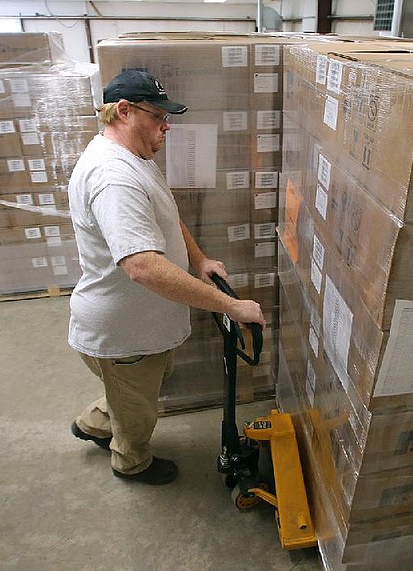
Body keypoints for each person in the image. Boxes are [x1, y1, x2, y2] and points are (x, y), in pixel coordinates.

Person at [67, 70, 266, 486]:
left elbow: (167, 217)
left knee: (134, 389)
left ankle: (94, 422)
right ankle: (131, 462)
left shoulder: (136, 158)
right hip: (124, 331)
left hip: (143, 326)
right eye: (157, 115)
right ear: (123, 111)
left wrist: (199, 260)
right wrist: (231, 305)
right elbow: (141, 265)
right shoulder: (114, 177)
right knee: (138, 411)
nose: (166, 125)